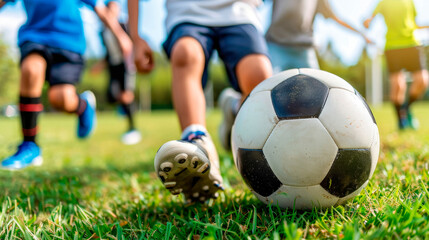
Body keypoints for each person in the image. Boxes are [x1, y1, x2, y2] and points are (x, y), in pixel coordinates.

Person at [128, 0, 272, 202]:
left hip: (239, 12)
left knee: (259, 75)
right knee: (185, 53)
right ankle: (197, 143)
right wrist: (135, 37)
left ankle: (234, 108)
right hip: (187, 12)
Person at [0, 0, 133, 170]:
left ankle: (83, 106)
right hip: (35, 35)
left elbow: (99, 8)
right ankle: (30, 145)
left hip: (69, 42)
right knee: (31, 69)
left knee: (60, 99)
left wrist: (121, 36)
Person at [363, 0, 429, 130]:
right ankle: (401, 120)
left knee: (423, 80)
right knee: (398, 85)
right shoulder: (383, 3)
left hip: (411, 44)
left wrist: (425, 26)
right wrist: (367, 22)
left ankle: (406, 108)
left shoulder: (410, 2)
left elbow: (414, 24)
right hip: (392, 47)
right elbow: (370, 20)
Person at [266, 0, 372, 73]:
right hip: (276, 44)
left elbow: (336, 19)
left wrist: (361, 33)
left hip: (304, 50)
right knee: (264, 84)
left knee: (315, 89)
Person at [101, 0, 142, 145]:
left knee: (126, 95)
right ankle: (123, 109)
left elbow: (129, 46)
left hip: (126, 65)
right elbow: (107, 52)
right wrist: (101, 64)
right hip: (113, 65)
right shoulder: (103, 31)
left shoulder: (123, 26)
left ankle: (133, 129)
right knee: (112, 95)